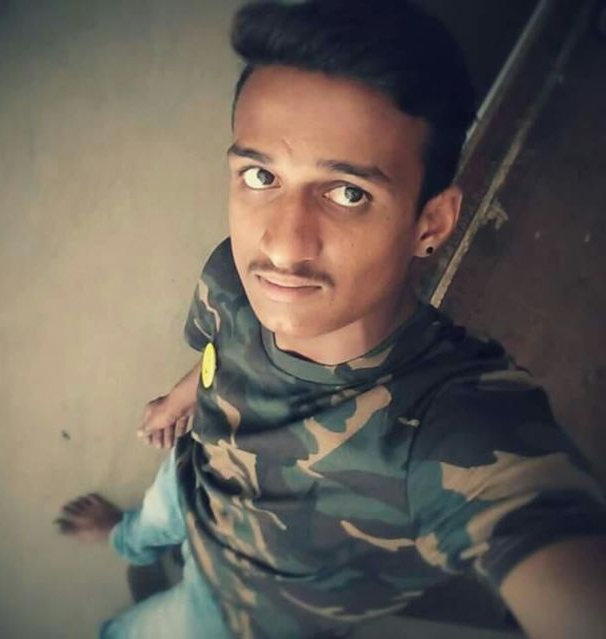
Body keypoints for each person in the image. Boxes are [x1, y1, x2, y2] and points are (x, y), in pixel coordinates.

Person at [56, 1, 606, 637]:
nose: (282, 248)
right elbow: (220, 350)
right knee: (151, 520)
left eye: (348, 193)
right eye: (260, 175)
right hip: (194, 472)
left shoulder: (447, 426)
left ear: (430, 224)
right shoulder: (230, 275)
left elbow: (543, 531)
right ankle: (127, 539)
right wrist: (183, 398)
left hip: (239, 611)